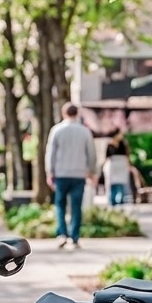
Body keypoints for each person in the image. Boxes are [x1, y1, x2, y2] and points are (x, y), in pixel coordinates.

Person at [45, 102, 98, 249]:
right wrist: (92, 171)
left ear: (64, 114)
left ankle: (62, 234)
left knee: (60, 205)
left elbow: (51, 153)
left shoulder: (56, 130)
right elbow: (91, 153)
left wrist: (50, 172)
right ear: (77, 114)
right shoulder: (85, 131)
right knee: (76, 206)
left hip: (61, 173)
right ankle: (74, 237)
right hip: (79, 174)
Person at [103, 128, 132, 206]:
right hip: (113, 166)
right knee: (113, 184)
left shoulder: (123, 144)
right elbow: (106, 157)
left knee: (121, 184)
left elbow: (127, 155)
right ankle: (112, 200)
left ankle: (121, 200)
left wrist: (129, 165)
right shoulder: (109, 144)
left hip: (121, 165)